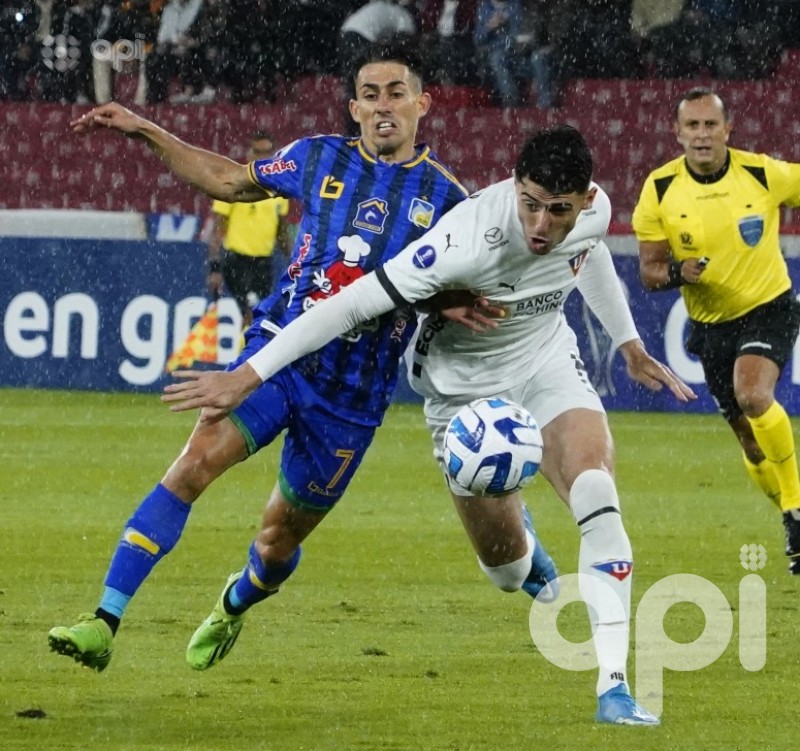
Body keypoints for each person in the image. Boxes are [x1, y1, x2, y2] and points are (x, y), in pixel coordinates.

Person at [163, 126, 696, 725]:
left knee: (597, 491)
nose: (542, 225)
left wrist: (627, 344)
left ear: (584, 199)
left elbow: (590, 249)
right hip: (461, 392)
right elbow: (352, 303)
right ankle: (525, 549)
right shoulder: (465, 238)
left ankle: (615, 688)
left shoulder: (593, 211)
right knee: (507, 570)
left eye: (559, 211)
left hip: (548, 364)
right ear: (515, 186)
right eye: (531, 204)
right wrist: (250, 376)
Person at [47, 42, 512, 675]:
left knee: (276, 543)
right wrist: (145, 128)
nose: (382, 107)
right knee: (192, 467)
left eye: (396, 93)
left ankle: (235, 603)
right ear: (353, 107)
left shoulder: (452, 201)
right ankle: (104, 620)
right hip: (277, 358)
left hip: (352, 398)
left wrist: (451, 300)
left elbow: (454, 282)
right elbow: (226, 179)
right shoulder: (316, 156)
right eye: (369, 96)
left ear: (422, 105)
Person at [632, 87, 800, 574]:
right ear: (678, 133)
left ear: (728, 130)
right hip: (709, 327)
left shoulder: (762, 173)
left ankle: (795, 509)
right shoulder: (660, 189)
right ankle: (791, 518)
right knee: (750, 441)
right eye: (693, 126)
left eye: (711, 125)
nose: (702, 135)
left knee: (753, 395)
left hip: (768, 306)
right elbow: (649, 271)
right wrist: (677, 273)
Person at [205, 132, 291, 328]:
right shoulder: (234, 183)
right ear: (249, 154)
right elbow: (218, 230)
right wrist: (215, 268)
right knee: (252, 313)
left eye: (266, 152)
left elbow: (282, 232)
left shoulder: (279, 189)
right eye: (257, 152)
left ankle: (247, 353)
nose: (261, 157)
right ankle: (249, 356)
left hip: (264, 264)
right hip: (238, 262)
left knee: (261, 318)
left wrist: (295, 261)